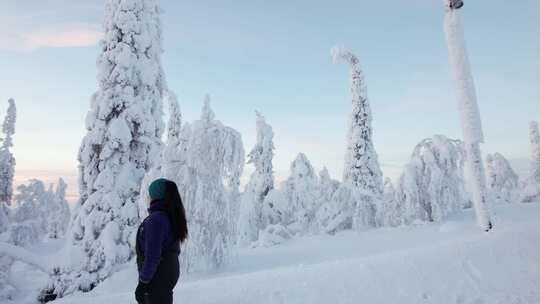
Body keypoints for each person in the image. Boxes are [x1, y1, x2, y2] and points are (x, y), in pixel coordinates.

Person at [135, 179, 188, 304]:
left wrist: (143, 282)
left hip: (158, 276)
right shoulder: (169, 217)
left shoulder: (156, 220)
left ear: (154, 196)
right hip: (167, 273)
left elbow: (153, 255)